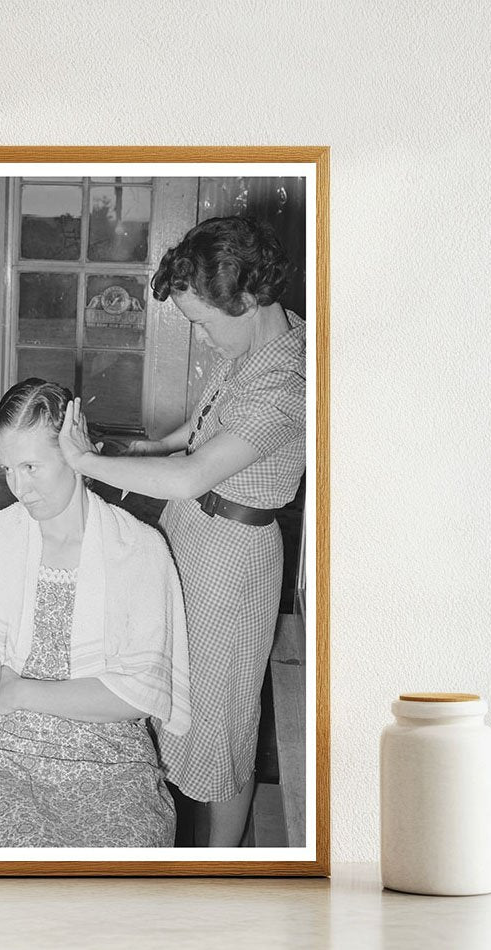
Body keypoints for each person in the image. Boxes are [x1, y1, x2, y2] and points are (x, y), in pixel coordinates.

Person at [58, 216, 306, 847]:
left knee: (221, 727)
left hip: (233, 564)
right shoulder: (252, 349)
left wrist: (87, 465)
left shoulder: (288, 379)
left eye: (201, 320)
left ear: (249, 299)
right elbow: (183, 441)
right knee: (178, 700)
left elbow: (193, 472)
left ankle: (220, 872)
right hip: (193, 541)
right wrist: (115, 447)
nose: (199, 334)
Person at [0, 379, 190, 848]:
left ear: (77, 454)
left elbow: (137, 698)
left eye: (31, 467)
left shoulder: (138, 550)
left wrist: (20, 692)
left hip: (107, 757)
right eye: (7, 469)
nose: (19, 488)